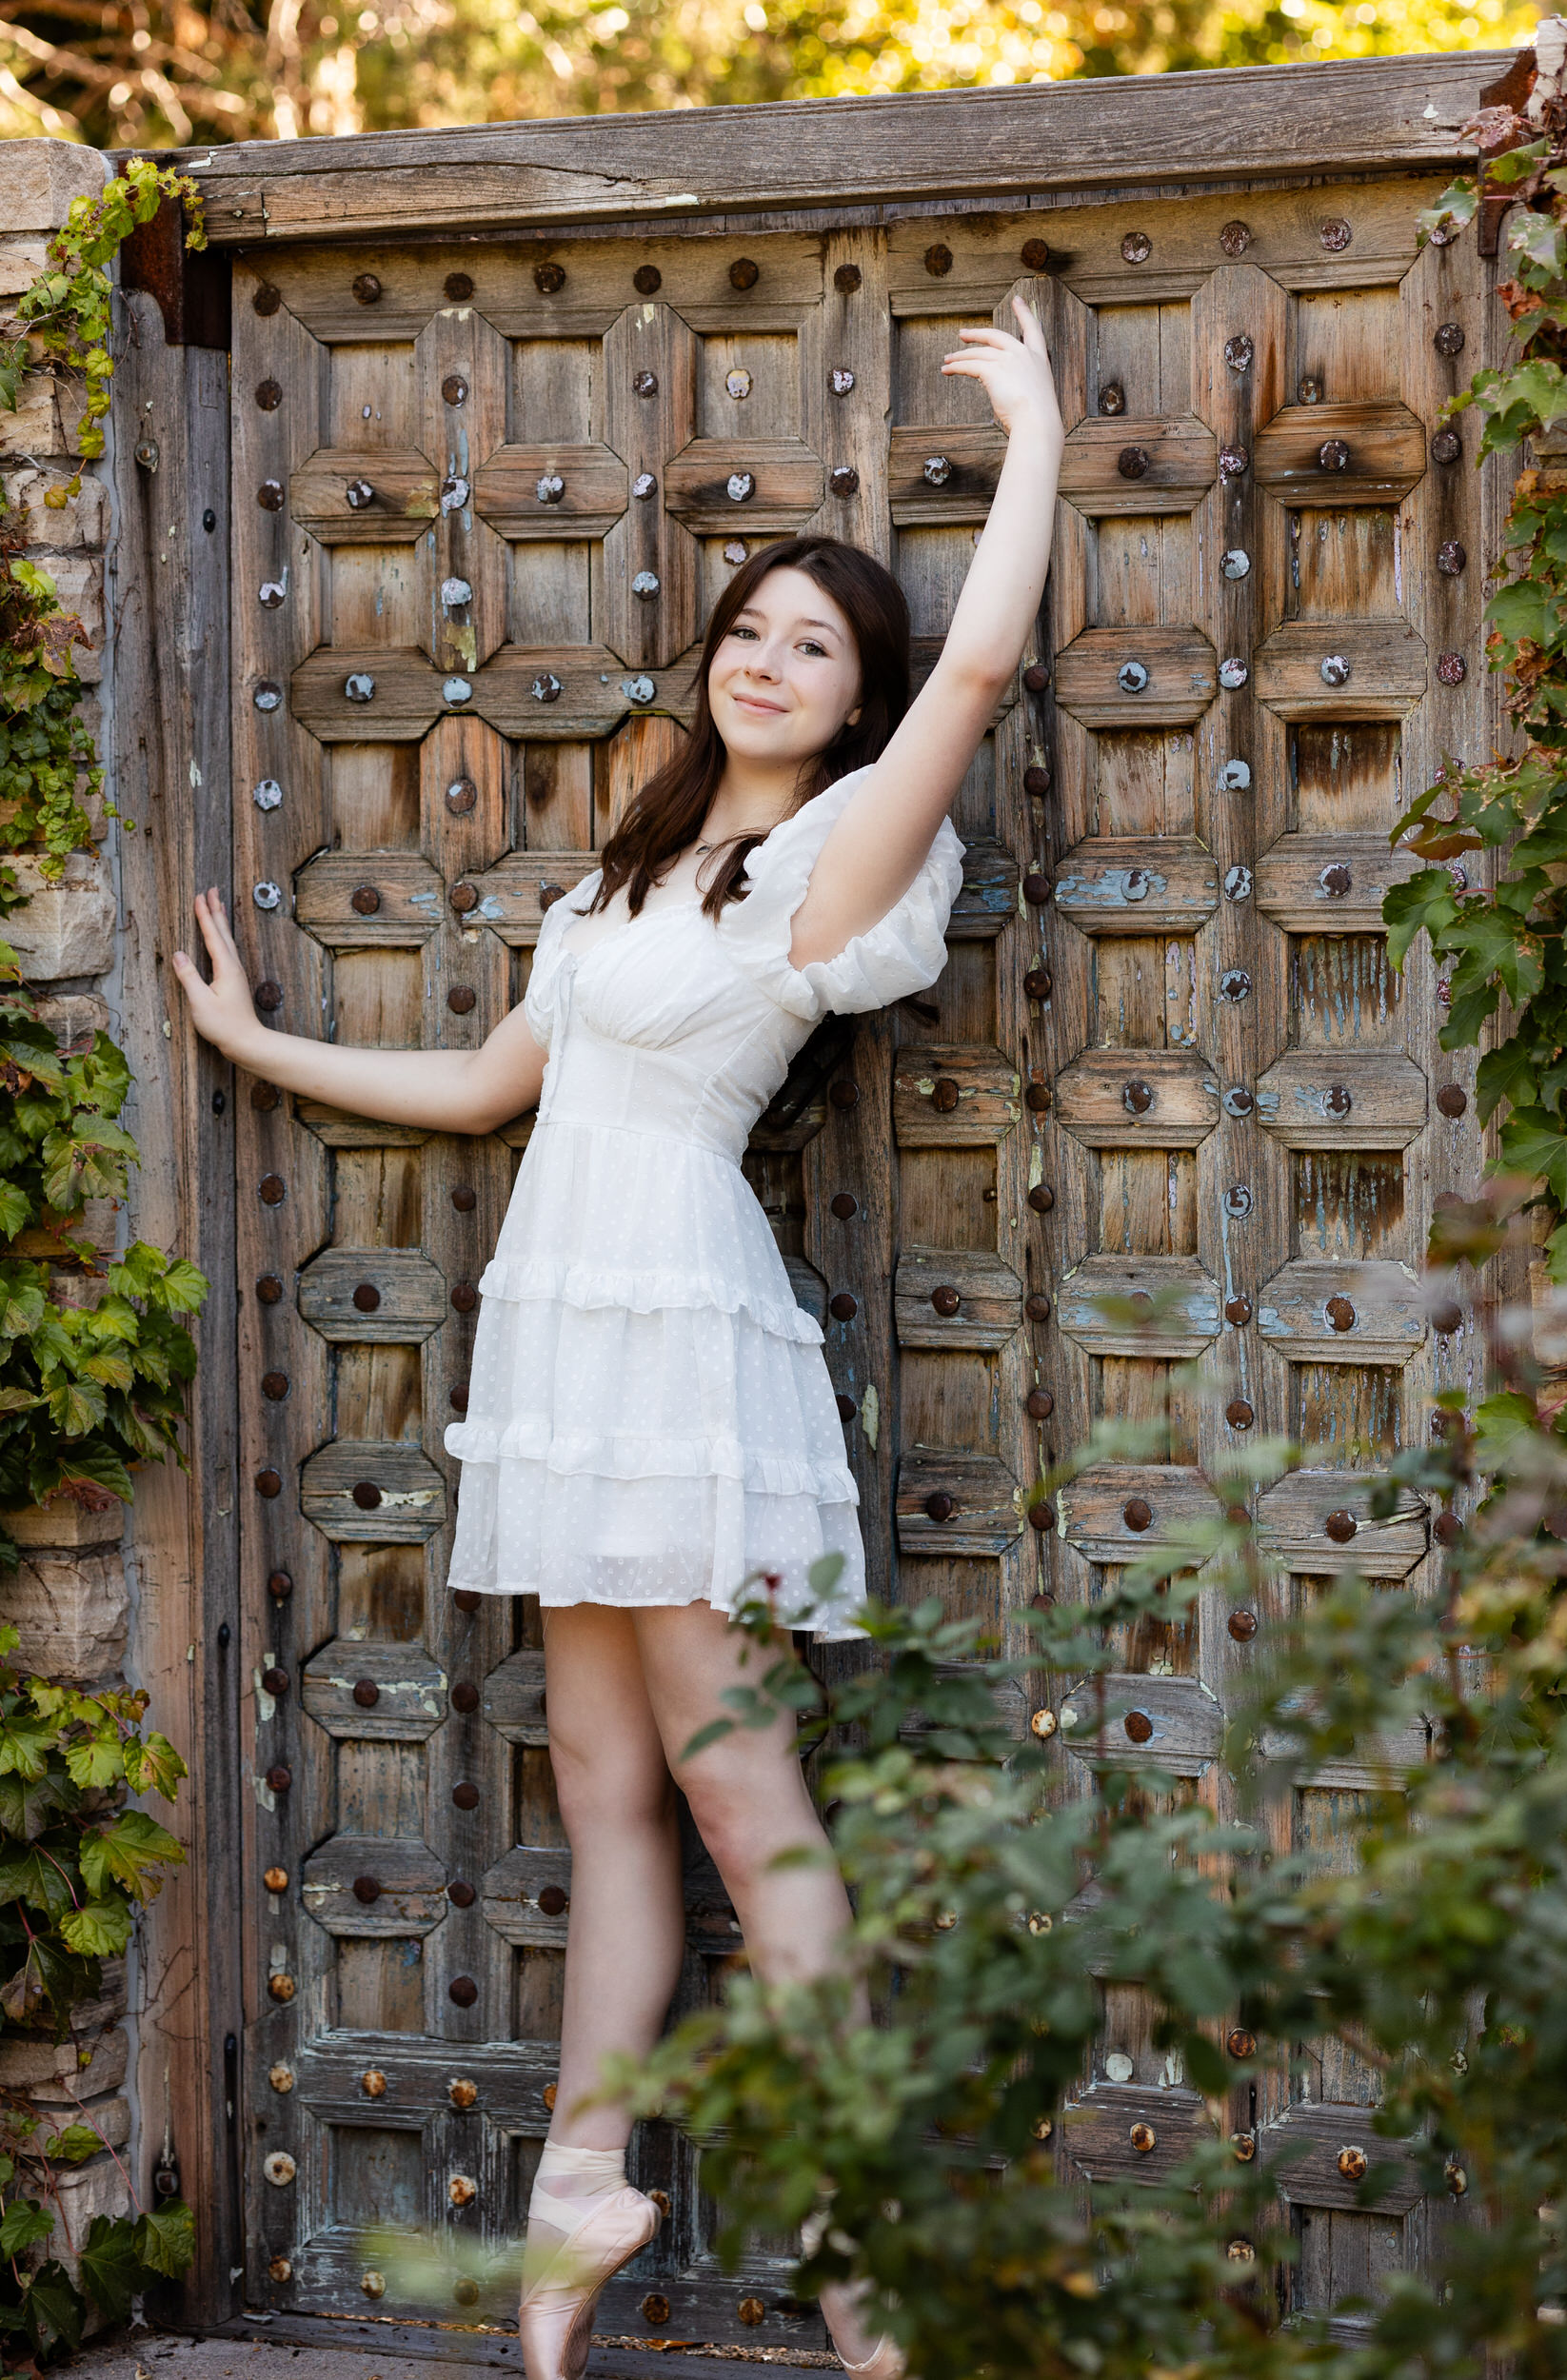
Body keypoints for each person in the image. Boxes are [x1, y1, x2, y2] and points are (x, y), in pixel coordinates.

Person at [175, 294, 1061, 2380]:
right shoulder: (633, 871)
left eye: (817, 645)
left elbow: (1000, 665)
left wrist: (1031, 432)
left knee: (752, 1804)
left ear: (860, 706)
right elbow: (497, 1089)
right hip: (563, 1341)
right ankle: (587, 2182)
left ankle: (863, 2226)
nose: (769, 656)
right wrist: (251, 1034)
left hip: (682, 1337)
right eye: (753, 626)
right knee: (603, 1790)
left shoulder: (841, 862)